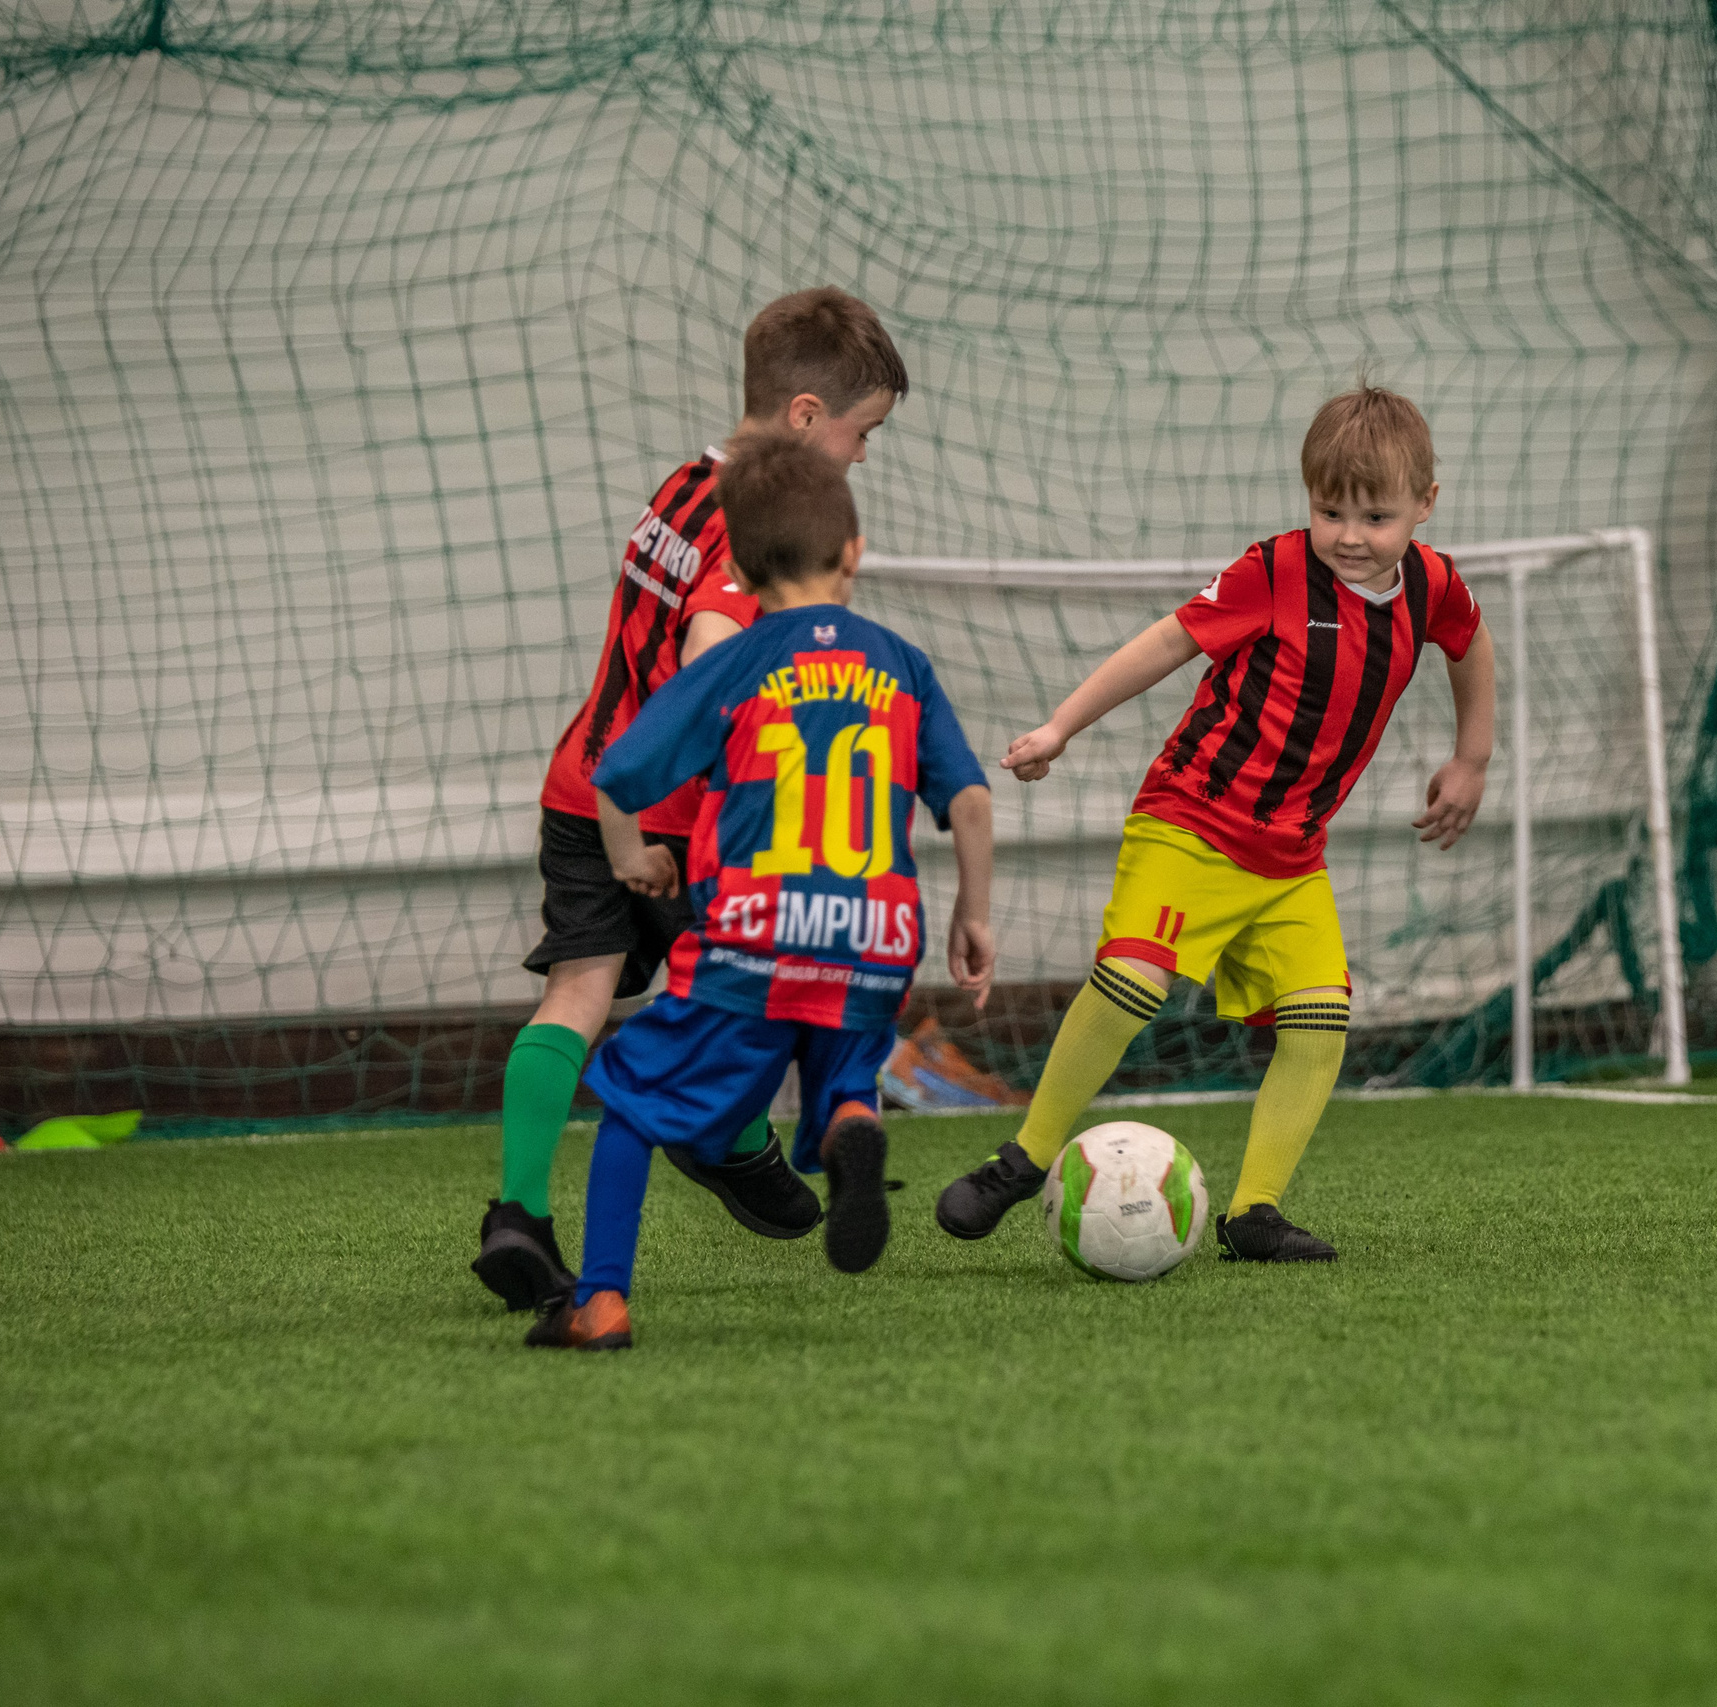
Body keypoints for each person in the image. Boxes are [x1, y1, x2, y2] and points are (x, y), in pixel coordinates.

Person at [933, 383, 1492, 1262]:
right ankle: (1023, 1158)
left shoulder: (1433, 585)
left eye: (1376, 516)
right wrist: (1059, 727)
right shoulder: (1273, 571)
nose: (1350, 534)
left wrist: (1472, 758)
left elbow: (1470, 641)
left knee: (1320, 1019)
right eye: (1330, 511)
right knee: (1134, 981)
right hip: (1190, 823)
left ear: (1426, 503)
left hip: (1291, 857)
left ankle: (1253, 1212)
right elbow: (1166, 642)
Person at [473, 288, 907, 1313]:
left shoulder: (681, 484)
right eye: (861, 433)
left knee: (576, 993)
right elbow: (706, 658)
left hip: (581, 784)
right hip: (671, 820)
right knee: (746, 992)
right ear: (805, 415)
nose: (861, 456)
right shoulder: (753, 529)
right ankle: (733, 1143)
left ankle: (519, 1215)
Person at [529, 430, 995, 1349]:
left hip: (754, 936)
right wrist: (972, 914)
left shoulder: (734, 663)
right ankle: (850, 1116)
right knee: (840, 1053)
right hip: (873, 937)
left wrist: (632, 858)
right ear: (854, 552)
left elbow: (615, 771)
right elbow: (971, 801)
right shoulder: (902, 663)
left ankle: (600, 1302)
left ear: (738, 569)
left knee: (631, 1098)